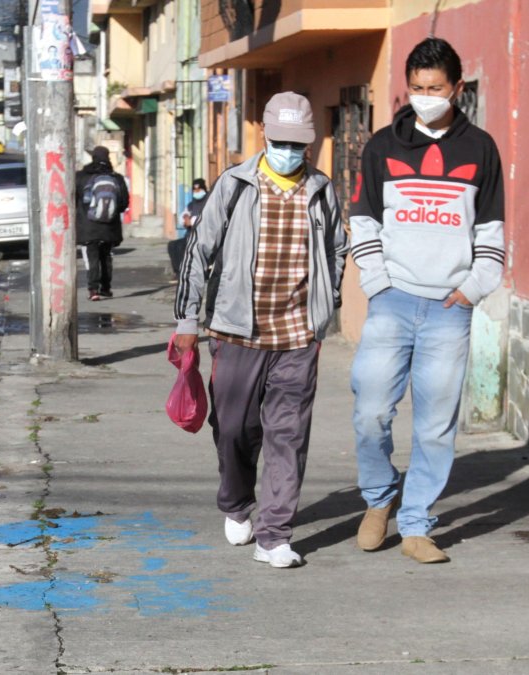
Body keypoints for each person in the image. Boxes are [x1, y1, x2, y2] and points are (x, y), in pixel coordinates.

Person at [173, 92, 348, 568]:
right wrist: (188, 319)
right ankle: (235, 501)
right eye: (282, 140)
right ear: (266, 136)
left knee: (287, 435)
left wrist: (325, 307)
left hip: (296, 336)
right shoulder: (234, 185)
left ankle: (275, 535)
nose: (290, 150)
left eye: (298, 142)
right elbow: (198, 251)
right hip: (235, 332)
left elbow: (337, 248)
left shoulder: (321, 189)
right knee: (234, 430)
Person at [348, 37, 506, 564]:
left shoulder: (480, 148)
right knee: (370, 412)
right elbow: (364, 220)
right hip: (392, 301)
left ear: (456, 88)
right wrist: (377, 282)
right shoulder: (382, 146)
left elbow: (491, 229)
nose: (425, 96)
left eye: (435, 88)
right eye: (416, 88)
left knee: (436, 424)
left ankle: (416, 523)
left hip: (448, 307)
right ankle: (379, 498)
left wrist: (473, 288)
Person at [75, 146, 129, 301]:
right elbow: (124, 203)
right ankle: (106, 288)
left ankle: (93, 290)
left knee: (91, 257)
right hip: (109, 226)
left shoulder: (81, 176)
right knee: (106, 256)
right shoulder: (116, 178)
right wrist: (110, 212)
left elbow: (73, 200)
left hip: (88, 225)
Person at [168, 178, 209, 277]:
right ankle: (178, 271)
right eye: (194, 190)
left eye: (199, 190)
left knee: (183, 246)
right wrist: (185, 218)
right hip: (191, 234)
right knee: (172, 245)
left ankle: (187, 271)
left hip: (203, 236)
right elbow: (184, 215)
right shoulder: (192, 204)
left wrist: (192, 221)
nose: (196, 192)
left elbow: (207, 218)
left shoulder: (209, 202)